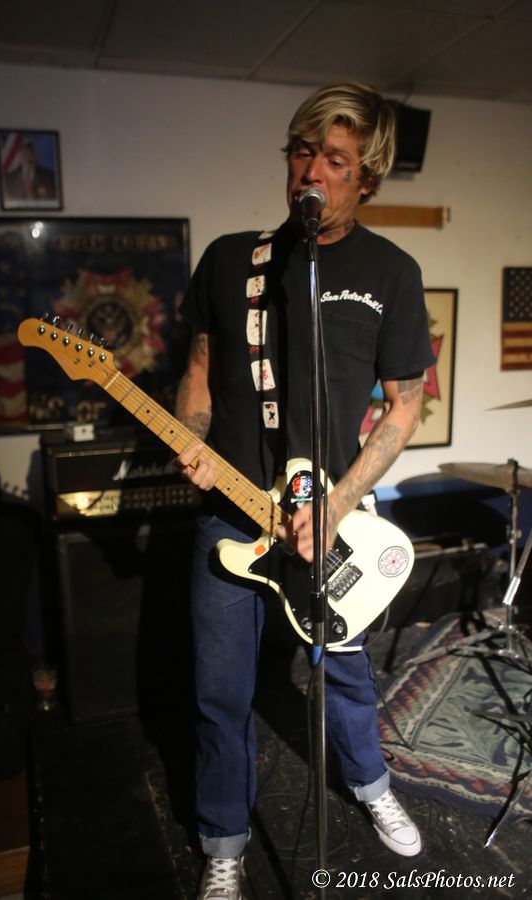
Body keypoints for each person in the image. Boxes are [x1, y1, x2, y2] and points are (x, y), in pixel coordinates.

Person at [174, 82, 435, 900]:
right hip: (231, 516)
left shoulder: (392, 272)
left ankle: (370, 787)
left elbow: (406, 405)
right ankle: (224, 841)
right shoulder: (231, 260)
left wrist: (339, 503)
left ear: (366, 179)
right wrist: (190, 435)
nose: (311, 172)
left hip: (333, 518)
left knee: (348, 676)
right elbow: (198, 372)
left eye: (335, 161)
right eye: (302, 152)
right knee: (220, 694)